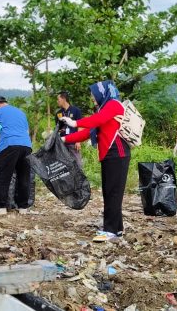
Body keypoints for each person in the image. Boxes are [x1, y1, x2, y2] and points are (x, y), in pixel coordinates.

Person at [60, 80, 130, 242]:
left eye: (93, 94)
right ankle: (116, 229)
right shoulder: (104, 108)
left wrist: (75, 122)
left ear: (101, 93)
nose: (92, 97)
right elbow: (88, 133)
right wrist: (64, 139)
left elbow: (97, 120)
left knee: (113, 192)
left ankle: (110, 230)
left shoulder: (114, 104)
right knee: (109, 191)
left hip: (117, 153)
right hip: (109, 155)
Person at [0, 96, 33, 215]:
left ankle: (0, 207)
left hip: (9, 145)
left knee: (3, 176)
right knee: (24, 177)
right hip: (26, 146)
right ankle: (23, 207)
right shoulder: (20, 112)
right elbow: (27, 131)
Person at [55, 91, 83, 167]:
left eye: (58, 99)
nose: (57, 101)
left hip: (73, 142)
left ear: (64, 99)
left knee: (77, 163)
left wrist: (78, 141)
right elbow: (57, 129)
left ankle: (79, 178)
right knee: (64, 164)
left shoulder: (76, 110)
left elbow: (80, 126)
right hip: (62, 143)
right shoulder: (58, 113)